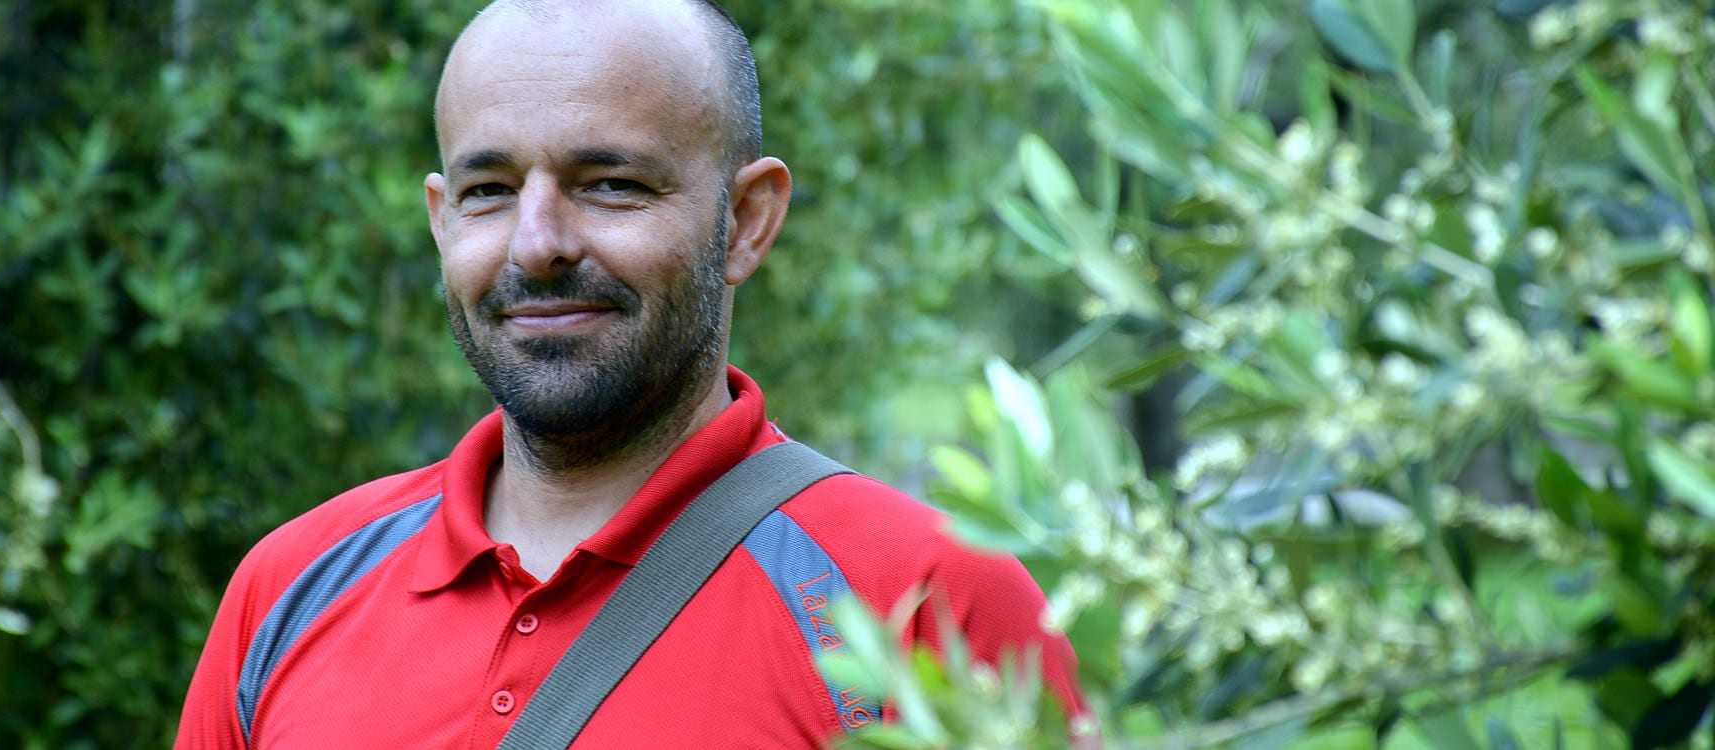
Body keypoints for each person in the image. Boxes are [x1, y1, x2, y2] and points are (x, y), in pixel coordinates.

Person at [174, 0, 1089, 746]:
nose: (537, 245)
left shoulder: (928, 599)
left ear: (749, 220)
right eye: (488, 191)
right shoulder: (290, 589)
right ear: (441, 218)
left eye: (610, 184)